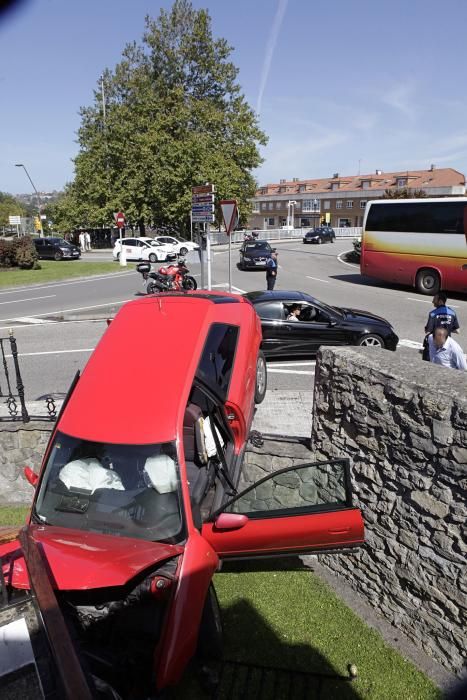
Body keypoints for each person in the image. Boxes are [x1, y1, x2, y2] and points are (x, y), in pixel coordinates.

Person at [422, 292, 460, 360]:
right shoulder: (452, 313)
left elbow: (428, 331)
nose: (432, 301)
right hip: (446, 346)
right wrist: (447, 327)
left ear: (440, 301)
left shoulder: (433, 314)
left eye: (434, 299)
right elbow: (457, 331)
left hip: (434, 347)